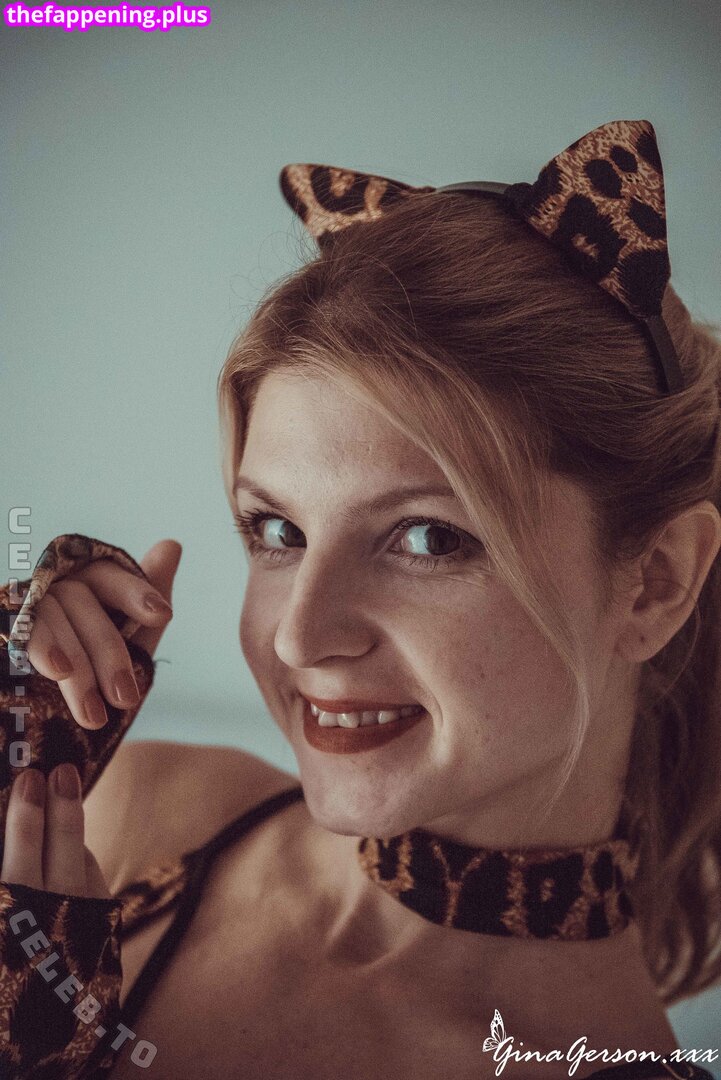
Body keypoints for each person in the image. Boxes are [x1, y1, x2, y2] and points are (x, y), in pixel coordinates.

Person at [1, 119, 720, 1079]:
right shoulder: (139, 811)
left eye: (429, 539)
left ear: (655, 582)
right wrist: (15, 740)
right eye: (277, 531)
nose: (300, 637)